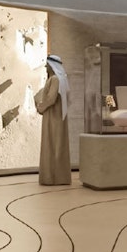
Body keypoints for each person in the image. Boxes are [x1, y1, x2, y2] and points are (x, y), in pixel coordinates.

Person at [34, 54, 71, 185]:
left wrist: (41, 107)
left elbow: (51, 98)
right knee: (58, 146)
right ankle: (60, 178)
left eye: (47, 66)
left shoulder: (55, 79)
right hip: (58, 117)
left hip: (53, 118)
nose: (46, 68)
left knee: (52, 146)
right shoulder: (61, 79)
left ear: (52, 66)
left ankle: (51, 178)